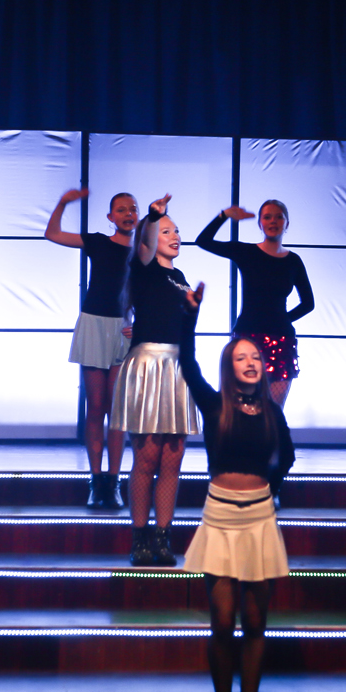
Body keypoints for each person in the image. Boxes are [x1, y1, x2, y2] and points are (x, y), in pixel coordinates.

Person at [181, 336, 296, 692]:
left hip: (260, 517)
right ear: (228, 367)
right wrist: (189, 318)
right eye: (240, 357)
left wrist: (271, 489)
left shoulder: (272, 412)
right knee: (223, 622)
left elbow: (288, 457)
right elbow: (188, 363)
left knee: (255, 622)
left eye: (255, 357)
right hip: (220, 516)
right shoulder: (215, 405)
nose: (250, 362)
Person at [112, 196, 203, 567]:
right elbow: (144, 246)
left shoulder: (180, 278)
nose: (175, 236)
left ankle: (163, 538)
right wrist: (153, 216)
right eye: (167, 231)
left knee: (173, 459)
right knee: (146, 457)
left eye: (176, 230)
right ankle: (139, 538)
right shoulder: (144, 268)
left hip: (178, 367)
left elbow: (184, 327)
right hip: (149, 365)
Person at [46, 188, 139, 510]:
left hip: (123, 328)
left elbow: (152, 292)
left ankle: (114, 482)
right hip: (93, 324)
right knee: (96, 408)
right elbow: (53, 234)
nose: (128, 214)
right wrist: (63, 202)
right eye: (121, 209)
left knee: (117, 411)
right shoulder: (98, 242)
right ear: (110, 217)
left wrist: (141, 323)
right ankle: (96, 480)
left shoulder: (143, 250)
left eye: (133, 209)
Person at [194, 200, 315, 409]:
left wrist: (283, 319)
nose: (273, 221)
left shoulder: (293, 261)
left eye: (279, 217)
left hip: (281, 340)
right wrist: (224, 215)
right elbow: (203, 241)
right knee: (240, 407)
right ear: (260, 223)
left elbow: (308, 303)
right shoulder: (246, 252)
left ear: (286, 223)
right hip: (247, 338)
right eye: (267, 217)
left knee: (274, 411)